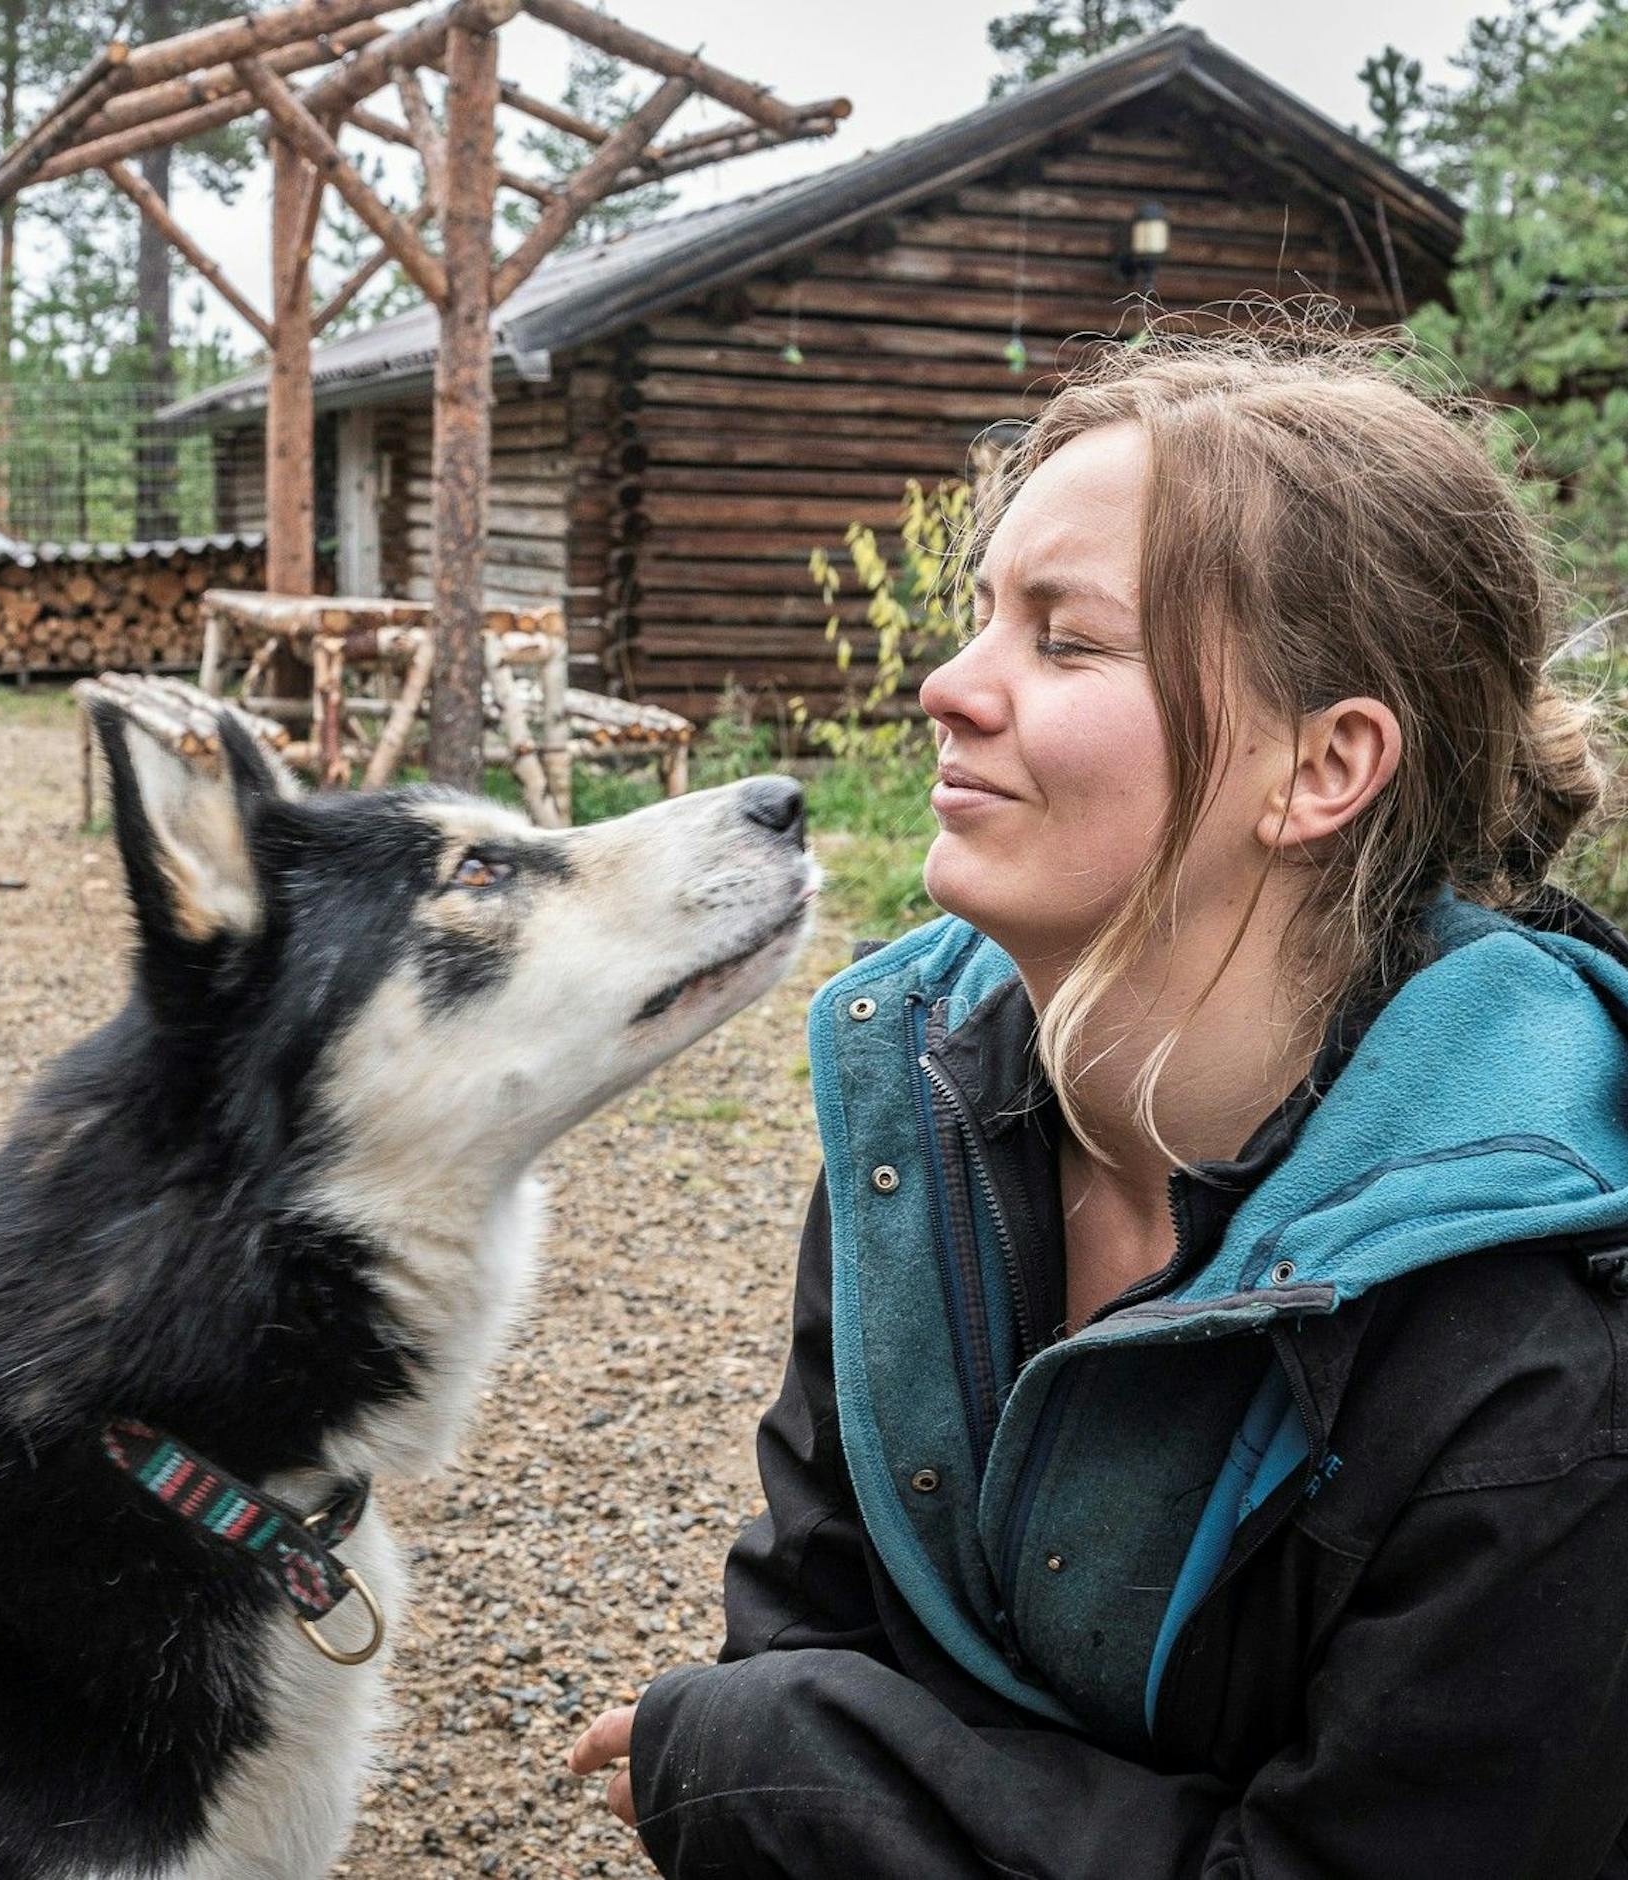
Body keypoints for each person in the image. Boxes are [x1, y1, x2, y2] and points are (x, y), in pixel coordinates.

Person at [568, 320, 1628, 1877]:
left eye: (1063, 641)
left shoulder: (1545, 1360)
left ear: (1321, 767)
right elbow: (821, 1624)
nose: (945, 686)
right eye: (981, 617)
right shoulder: (924, 1106)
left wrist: (780, 1780)